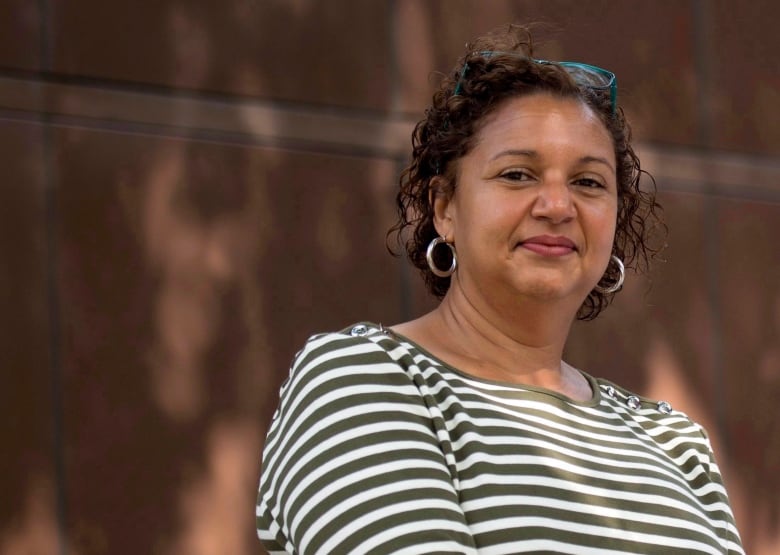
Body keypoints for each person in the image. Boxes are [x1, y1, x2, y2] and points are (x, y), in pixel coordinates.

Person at [256, 25, 744, 554]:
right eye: (517, 174)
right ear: (444, 207)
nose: (557, 206)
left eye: (588, 182)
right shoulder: (362, 378)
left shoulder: (674, 442)